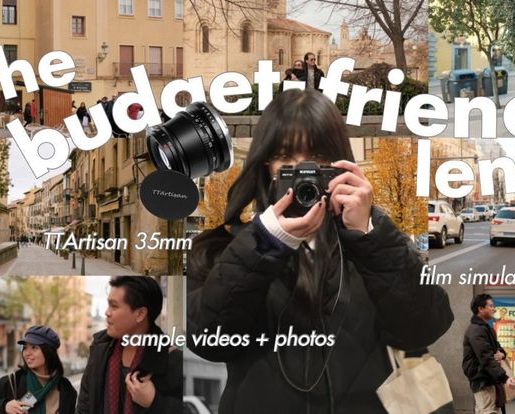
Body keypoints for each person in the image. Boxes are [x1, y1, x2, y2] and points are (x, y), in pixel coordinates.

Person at [187, 89, 454, 413]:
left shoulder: (373, 242)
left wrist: (370, 237)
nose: (304, 173)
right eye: (287, 159)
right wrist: (265, 243)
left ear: (340, 166)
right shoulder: (223, 248)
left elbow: (427, 326)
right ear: (266, 166)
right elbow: (207, 341)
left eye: (317, 158)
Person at [76, 276, 183, 413]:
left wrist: (154, 401)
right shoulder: (100, 349)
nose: (107, 312)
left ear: (140, 314)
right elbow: (84, 405)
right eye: (108, 305)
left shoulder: (172, 359)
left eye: (114, 306)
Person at [0, 325, 77, 414]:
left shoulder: (66, 389)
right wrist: (4, 407)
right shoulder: (10, 383)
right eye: (25, 348)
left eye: (33, 347)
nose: (27, 353)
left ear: (48, 351)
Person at [462, 294, 515, 414]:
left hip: (488, 379)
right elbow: (486, 358)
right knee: (488, 411)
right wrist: (505, 378)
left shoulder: (485, 328)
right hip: (482, 381)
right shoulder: (476, 330)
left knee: (486, 410)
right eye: (490, 306)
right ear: (481, 309)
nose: (494, 309)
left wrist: (502, 354)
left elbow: (497, 348)